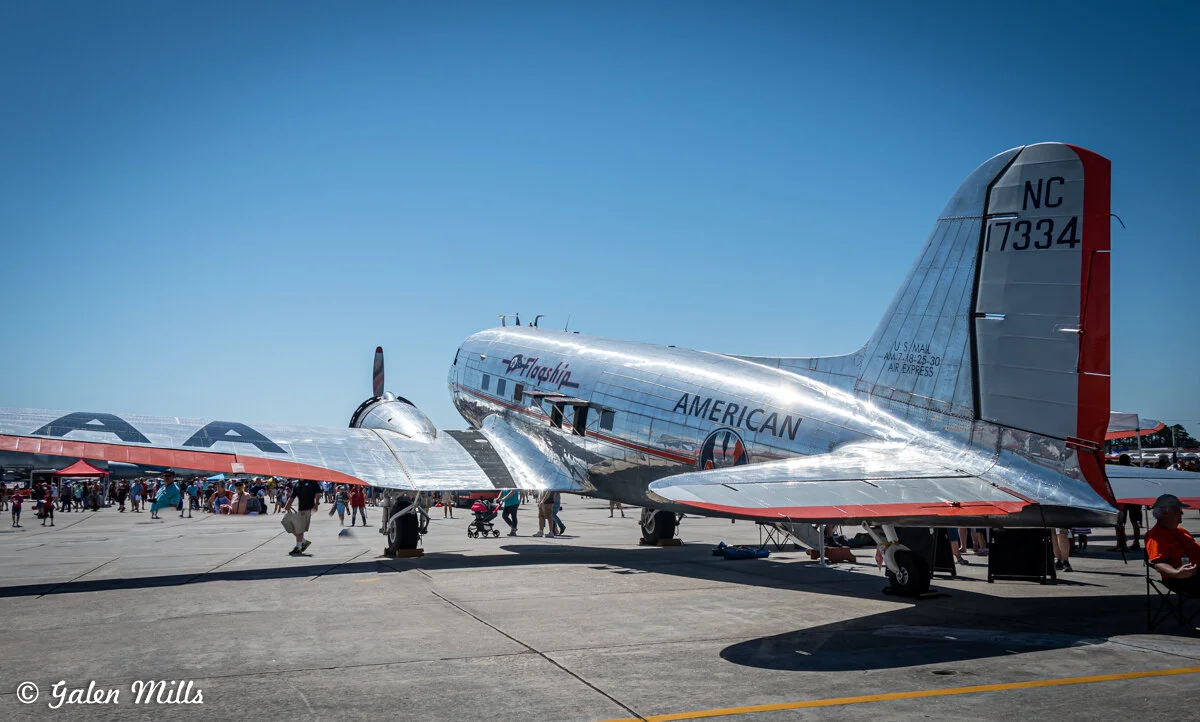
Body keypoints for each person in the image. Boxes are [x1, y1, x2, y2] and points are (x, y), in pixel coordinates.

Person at [1145, 493, 1200, 596]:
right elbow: (1159, 563)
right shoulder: (1155, 535)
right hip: (1182, 579)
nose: (1182, 513)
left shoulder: (1181, 531)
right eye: (1178, 510)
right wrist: (1177, 573)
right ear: (1165, 512)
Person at [284, 478, 321, 554]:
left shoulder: (312, 482)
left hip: (307, 508)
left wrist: (316, 504)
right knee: (286, 522)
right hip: (300, 509)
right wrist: (286, 507)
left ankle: (298, 547)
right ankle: (304, 541)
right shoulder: (297, 484)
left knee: (299, 528)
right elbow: (292, 497)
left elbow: (318, 493)